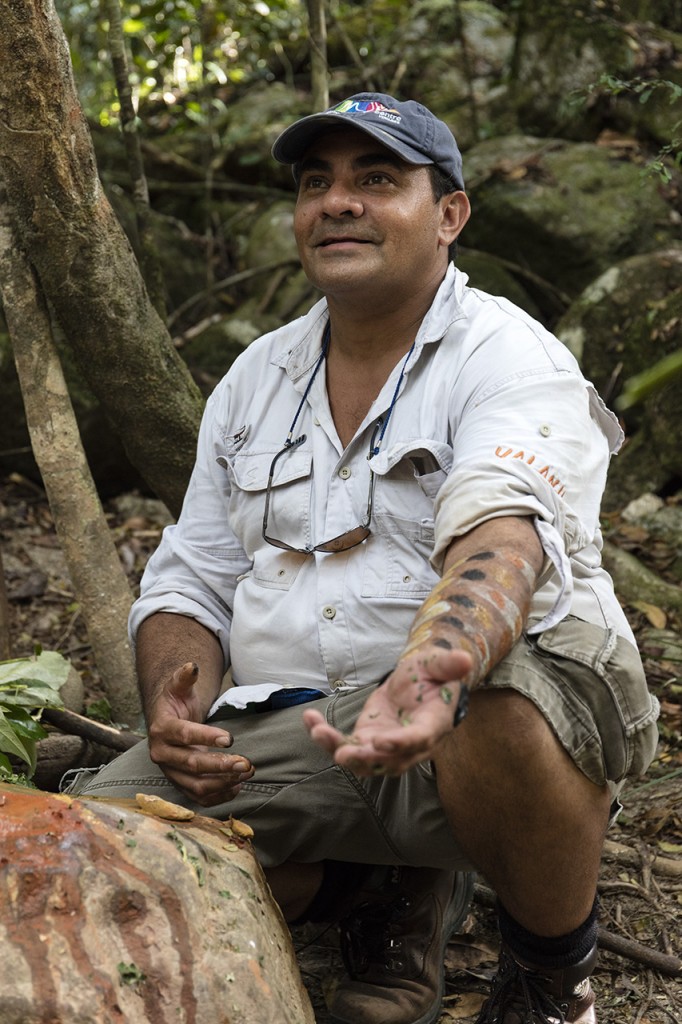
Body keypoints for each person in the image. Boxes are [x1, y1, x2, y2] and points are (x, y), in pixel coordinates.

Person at [75, 93, 659, 1024]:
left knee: (501, 705)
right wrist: (172, 702)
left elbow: (501, 531)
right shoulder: (255, 377)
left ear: (451, 215)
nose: (337, 202)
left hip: (467, 728)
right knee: (98, 838)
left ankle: (552, 978)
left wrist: (435, 669)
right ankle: (379, 893)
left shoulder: (509, 354)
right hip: (301, 729)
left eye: (377, 180)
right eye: (318, 183)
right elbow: (193, 572)